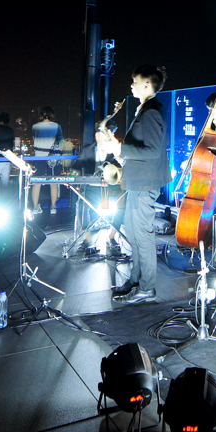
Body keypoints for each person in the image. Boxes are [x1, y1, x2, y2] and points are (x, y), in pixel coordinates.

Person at [102, 65, 172, 304]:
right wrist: (121, 151)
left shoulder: (151, 111)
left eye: (134, 81)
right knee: (133, 232)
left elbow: (152, 151)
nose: (131, 85)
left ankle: (147, 288)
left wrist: (120, 149)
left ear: (146, 85)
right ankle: (136, 279)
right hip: (137, 181)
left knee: (143, 235)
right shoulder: (147, 109)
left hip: (144, 183)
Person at [70, 117, 125, 252]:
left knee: (120, 206)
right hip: (91, 188)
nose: (108, 136)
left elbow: (123, 167)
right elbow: (76, 165)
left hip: (111, 189)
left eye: (110, 133)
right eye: (105, 133)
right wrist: (72, 174)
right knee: (82, 205)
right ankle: (86, 239)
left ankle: (111, 237)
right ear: (97, 135)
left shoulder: (115, 150)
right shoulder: (88, 149)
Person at [30, 107, 63, 215]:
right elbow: (61, 141)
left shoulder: (35, 126)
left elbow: (34, 139)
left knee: (37, 182)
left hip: (38, 156)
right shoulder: (57, 126)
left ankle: (35, 207)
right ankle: (53, 207)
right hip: (52, 157)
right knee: (53, 182)